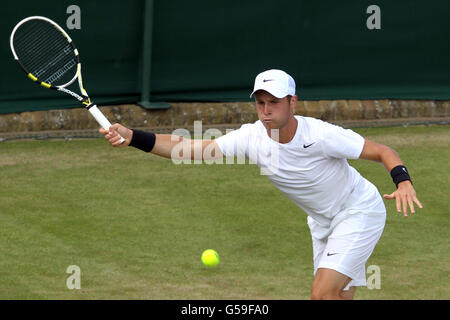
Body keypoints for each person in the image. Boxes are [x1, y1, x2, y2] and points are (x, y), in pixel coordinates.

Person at [100, 69, 423, 300]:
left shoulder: (322, 135)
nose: (266, 112)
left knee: (321, 294)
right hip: (322, 221)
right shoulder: (251, 136)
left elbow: (383, 151)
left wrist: (403, 181)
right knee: (337, 295)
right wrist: (133, 138)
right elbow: (190, 149)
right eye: (260, 103)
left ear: (293, 102)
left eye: (275, 103)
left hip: (358, 211)